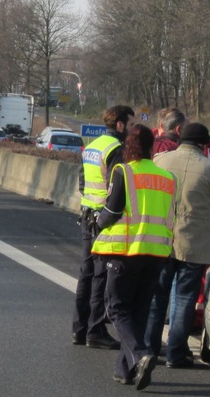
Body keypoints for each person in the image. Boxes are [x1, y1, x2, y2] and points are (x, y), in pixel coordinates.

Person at [93, 124, 175, 390]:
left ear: (128, 146)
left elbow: (112, 210)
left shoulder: (124, 172)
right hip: (157, 253)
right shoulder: (167, 177)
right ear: (152, 148)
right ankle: (125, 370)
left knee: (116, 307)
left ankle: (140, 354)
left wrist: (98, 221)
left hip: (127, 251)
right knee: (139, 310)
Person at [146, 122, 210, 368]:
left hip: (161, 240)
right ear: (205, 144)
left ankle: (150, 349)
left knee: (157, 297)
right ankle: (176, 353)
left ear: (179, 138)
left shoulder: (160, 161)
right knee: (184, 298)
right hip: (193, 245)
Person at [72, 105, 132, 350]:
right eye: (129, 124)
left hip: (87, 214)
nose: (129, 130)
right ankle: (96, 330)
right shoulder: (116, 149)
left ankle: (79, 328)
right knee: (99, 275)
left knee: (86, 273)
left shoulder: (93, 146)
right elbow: (116, 188)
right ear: (120, 124)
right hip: (103, 220)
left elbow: (82, 180)